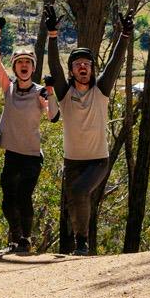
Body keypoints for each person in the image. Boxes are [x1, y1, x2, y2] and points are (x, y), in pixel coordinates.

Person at [0, 17, 56, 254]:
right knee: (8, 200)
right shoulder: (8, 88)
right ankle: (16, 236)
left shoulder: (40, 92)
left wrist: (49, 96)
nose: (24, 65)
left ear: (33, 67)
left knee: (24, 196)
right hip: (12, 154)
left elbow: (52, 116)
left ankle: (25, 239)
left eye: (28, 62)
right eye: (20, 62)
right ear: (15, 67)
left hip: (32, 156)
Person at [53, 39, 124, 254]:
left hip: (98, 161)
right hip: (72, 162)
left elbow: (114, 63)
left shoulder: (100, 91)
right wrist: (52, 36)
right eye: (77, 64)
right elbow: (54, 66)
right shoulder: (65, 94)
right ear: (71, 71)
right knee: (73, 202)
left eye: (86, 64)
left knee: (79, 191)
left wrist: (125, 36)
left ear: (92, 69)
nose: (82, 67)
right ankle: (78, 243)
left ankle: (83, 243)